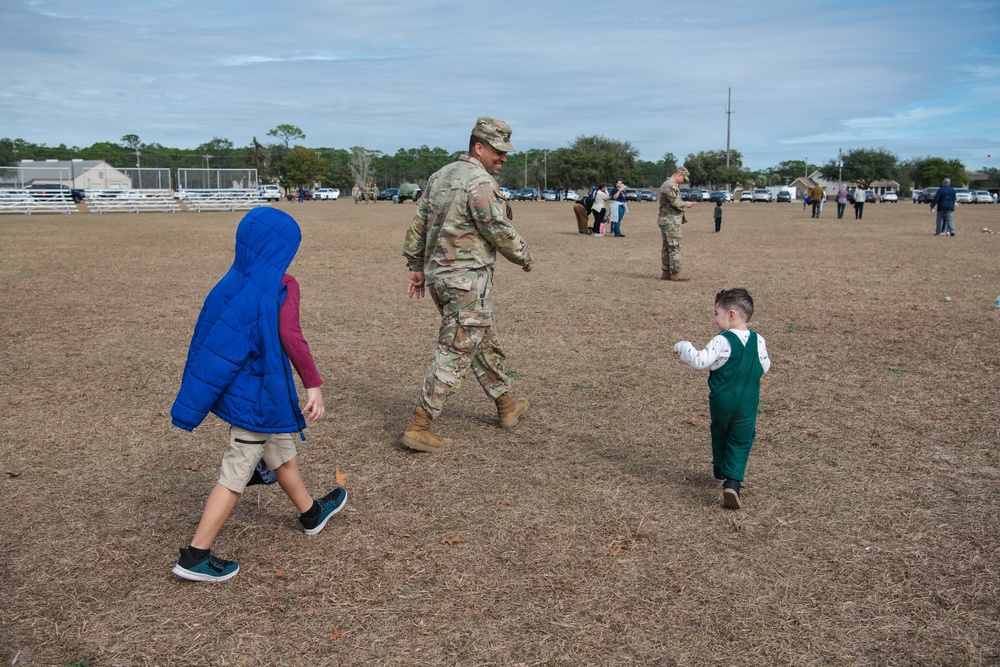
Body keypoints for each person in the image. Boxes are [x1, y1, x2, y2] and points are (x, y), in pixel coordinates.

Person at [169, 207, 346, 582]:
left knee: (281, 452)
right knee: (235, 472)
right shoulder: (282, 287)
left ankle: (311, 513)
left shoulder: (228, 284)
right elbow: (291, 336)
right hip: (257, 401)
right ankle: (196, 555)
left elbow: (208, 343)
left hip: (249, 396)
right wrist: (313, 384)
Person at [400, 116, 534, 452]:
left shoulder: (441, 176)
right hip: (466, 282)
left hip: (441, 280)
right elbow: (497, 228)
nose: (503, 158)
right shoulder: (479, 181)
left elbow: (418, 224)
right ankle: (419, 426)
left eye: (505, 152)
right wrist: (524, 255)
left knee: (482, 341)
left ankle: (506, 406)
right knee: (454, 350)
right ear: (478, 147)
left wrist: (416, 266)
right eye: (498, 151)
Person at [673, 288, 771, 509]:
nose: (715, 319)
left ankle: (719, 467)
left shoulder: (722, 340)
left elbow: (700, 361)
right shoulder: (759, 340)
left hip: (723, 401)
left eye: (717, 314)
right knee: (741, 440)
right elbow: (765, 366)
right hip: (748, 403)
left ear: (731, 315)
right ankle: (732, 483)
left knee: (720, 431)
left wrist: (683, 346)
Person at [657, 166, 695, 281]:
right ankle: (675, 274)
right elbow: (676, 203)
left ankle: (666, 272)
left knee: (667, 247)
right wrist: (687, 204)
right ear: (679, 175)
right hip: (671, 221)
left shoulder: (667, 184)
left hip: (666, 220)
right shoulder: (670, 185)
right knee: (675, 247)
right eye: (683, 179)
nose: (683, 181)